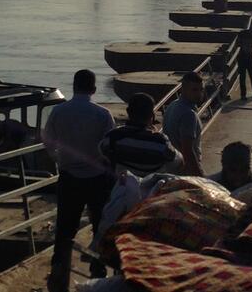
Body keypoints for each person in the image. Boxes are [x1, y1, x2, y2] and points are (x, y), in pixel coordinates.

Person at [43, 69, 116, 286]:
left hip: (68, 177)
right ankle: (97, 271)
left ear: (74, 86)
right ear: (93, 89)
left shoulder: (58, 111)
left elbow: (47, 139)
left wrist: (57, 158)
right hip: (97, 178)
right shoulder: (103, 114)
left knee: (65, 228)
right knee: (99, 227)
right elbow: (110, 147)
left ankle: (59, 272)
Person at [99, 93, 182, 177]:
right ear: (152, 115)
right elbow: (179, 162)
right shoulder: (160, 141)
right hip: (150, 183)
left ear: (128, 111)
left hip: (122, 183)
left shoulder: (112, 137)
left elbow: (102, 154)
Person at [163, 71, 206, 176]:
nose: (199, 94)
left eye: (201, 89)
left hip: (170, 166)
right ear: (183, 89)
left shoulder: (172, 105)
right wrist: (200, 175)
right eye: (194, 90)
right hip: (185, 170)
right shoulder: (189, 114)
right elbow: (187, 150)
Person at [236, 28, 252, 101]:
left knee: (243, 77)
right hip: (247, 56)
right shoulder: (250, 35)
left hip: (242, 56)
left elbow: (238, 44)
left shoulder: (242, 33)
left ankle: (244, 95)